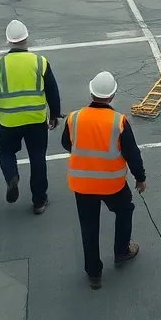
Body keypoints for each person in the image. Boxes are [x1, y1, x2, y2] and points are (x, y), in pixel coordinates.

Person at [62, 71, 145, 290]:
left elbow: (66, 144)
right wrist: (140, 178)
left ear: (91, 92)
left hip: (82, 185)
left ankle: (94, 274)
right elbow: (132, 154)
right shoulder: (119, 121)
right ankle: (121, 251)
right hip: (112, 184)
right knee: (125, 210)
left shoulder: (74, 117)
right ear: (112, 95)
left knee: (89, 226)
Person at [0, 20, 61, 211]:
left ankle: (12, 177)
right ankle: (39, 201)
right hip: (36, 120)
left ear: (9, 41)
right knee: (38, 158)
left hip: (9, 121)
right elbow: (53, 92)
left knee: (6, 151)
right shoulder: (40, 62)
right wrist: (54, 114)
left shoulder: (0, 64)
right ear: (26, 38)